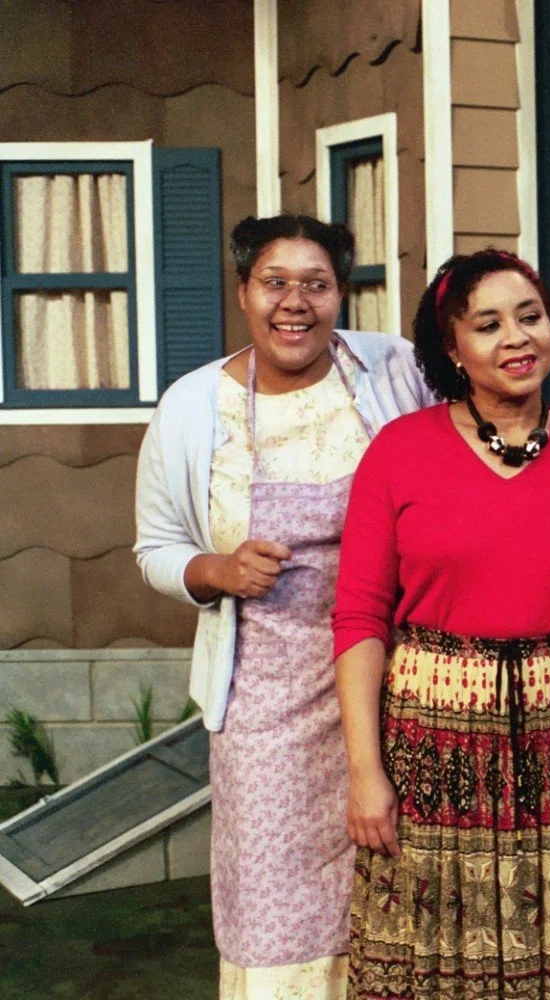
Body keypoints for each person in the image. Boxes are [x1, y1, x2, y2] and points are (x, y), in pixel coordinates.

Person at [134, 214, 435, 998]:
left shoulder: (392, 368)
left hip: (395, 681)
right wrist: (218, 568)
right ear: (243, 292)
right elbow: (155, 547)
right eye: (275, 283)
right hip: (265, 702)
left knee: (394, 884)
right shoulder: (193, 406)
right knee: (273, 900)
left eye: (316, 284)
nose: (294, 302)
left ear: (342, 295)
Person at [332, 249, 550, 1000]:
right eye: (488, 324)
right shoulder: (399, 453)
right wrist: (366, 773)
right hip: (432, 749)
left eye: (530, 317)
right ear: (452, 348)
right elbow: (361, 616)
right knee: (431, 957)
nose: (517, 338)